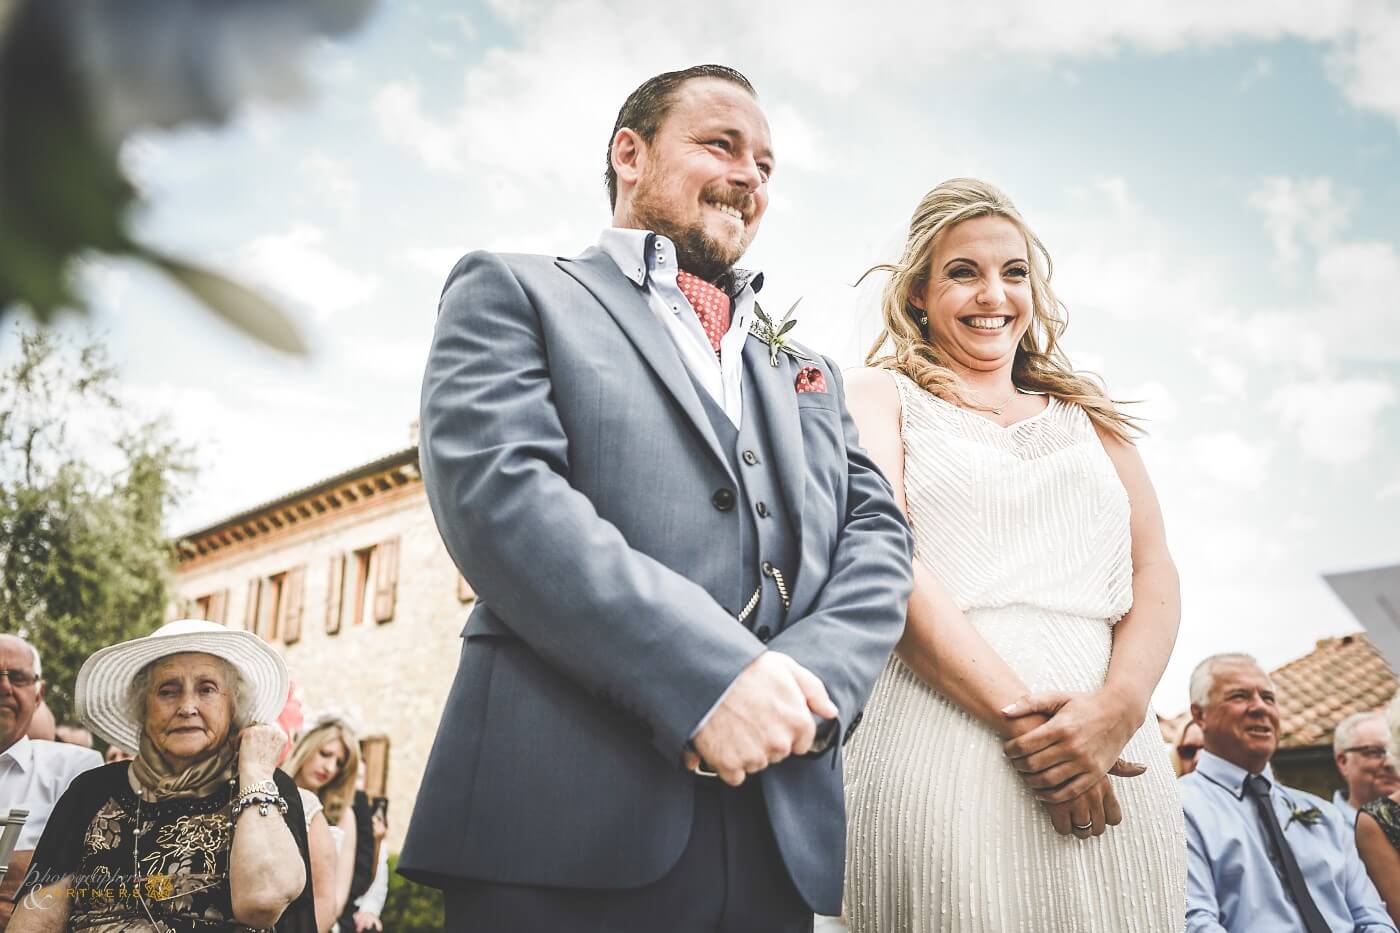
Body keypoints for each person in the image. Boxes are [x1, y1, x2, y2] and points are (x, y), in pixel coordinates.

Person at [399, 64, 914, 932]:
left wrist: (802, 693)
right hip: (558, 821)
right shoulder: (515, 290)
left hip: (775, 828)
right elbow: (503, 496)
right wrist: (713, 679)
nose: (751, 174)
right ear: (628, 155)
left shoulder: (807, 375)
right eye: (722, 144)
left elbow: (880, 537)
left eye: (767, 164)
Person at [839, 177, 1185, 931]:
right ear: (920, 294)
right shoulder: (877, 397)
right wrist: (1034, 731)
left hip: (1118, 752)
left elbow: (1154, 571)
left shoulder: (1092, 419)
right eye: (963, 271)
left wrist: (1117, 713)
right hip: (948, 737)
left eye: (1015, 271)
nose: (993, 292)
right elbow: (883, 555)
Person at [8, 619, 316, 932]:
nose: (187, 706)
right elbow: (35, 919)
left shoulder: (265, 787)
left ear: (233, 705)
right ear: (142, 708)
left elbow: (263, 901)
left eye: (206, 689)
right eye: (168, 691)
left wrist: (254, 770)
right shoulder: (93, 791)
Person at [1180, 653, 1393, 932]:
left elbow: (1372, 919)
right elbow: (1196, 922)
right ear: (1199, 715)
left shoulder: (1326, 817)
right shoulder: (1179, 808)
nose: (1260, 708)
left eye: (1268, 698)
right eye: (1239, 696)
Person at [0, 635, 101, 930]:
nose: (5, 687)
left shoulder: (76, 770)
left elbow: (88, 872)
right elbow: (48, 878)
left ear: (38, 694)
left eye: (17, 678)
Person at [285, 716, 360, 926]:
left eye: (339, 763)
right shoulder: (270, 793)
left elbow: (338, 896)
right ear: (307, 747)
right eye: (325, 754)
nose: (329, 767)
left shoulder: (343, 816)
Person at [1335, 710, 1400, 819]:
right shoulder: (1321, 831)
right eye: (1374, 752)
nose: (1391, 763)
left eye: (1397, 752)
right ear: (1343, 762)